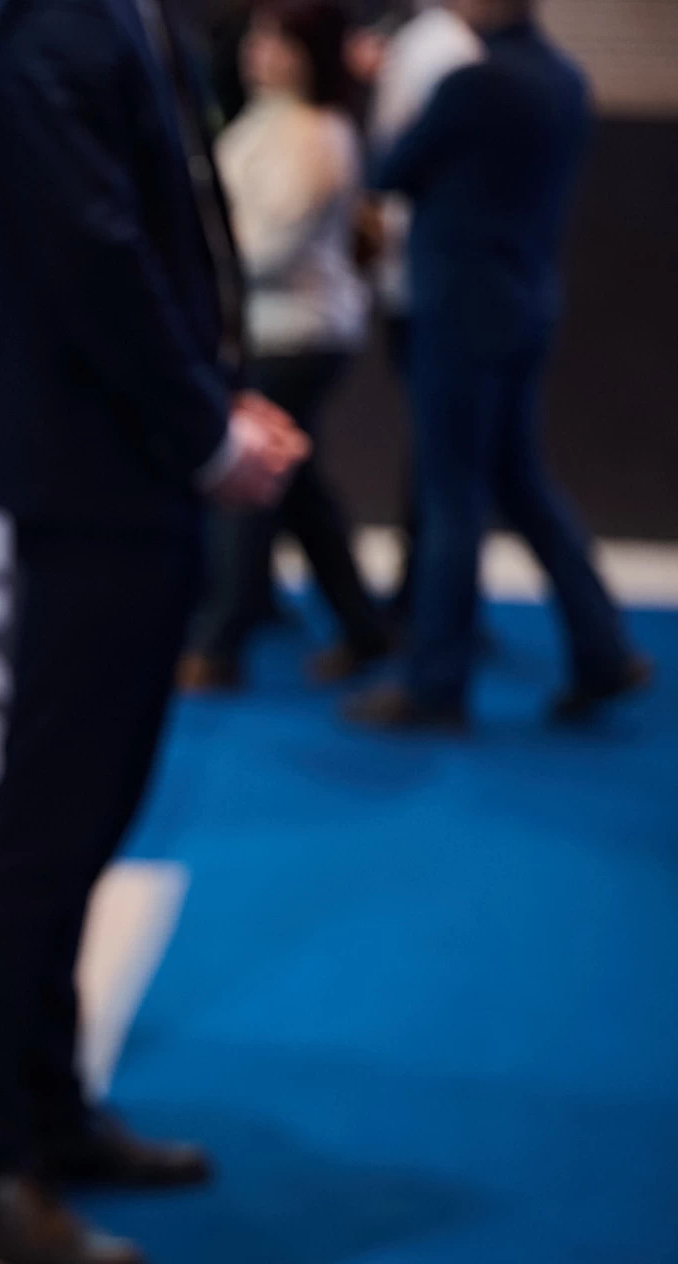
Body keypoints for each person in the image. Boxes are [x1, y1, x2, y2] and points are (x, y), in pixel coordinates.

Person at [0, 0, 307, 1264]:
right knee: (45, 824)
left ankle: (46, 1113)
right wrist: (204, 428)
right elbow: (91, 252)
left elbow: (159, 221)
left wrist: (213, 403)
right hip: (97, 467)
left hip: (128, 462)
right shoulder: (44, 26)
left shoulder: (105, 13)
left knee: (81, 816)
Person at [344, 0, 652, 729]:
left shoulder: (474, 84)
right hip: (527, 300)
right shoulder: (565, 79)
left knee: (453, 493)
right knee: (519, 482)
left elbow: (392, 168)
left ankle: (435, 684)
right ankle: (602, 649)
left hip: (460, 309)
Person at [180, 0, 391, 690]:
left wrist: (197, 254)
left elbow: (263, 248)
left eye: (280, 42)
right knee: (297, 487)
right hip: (269, 329)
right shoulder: (263, 120)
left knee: (250, 480)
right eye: (259, 39)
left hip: (298, 333)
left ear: (311, 53)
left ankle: (217, 644)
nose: (261, 53)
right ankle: (362, 625)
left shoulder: (317, 134)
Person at [365, 0, 483, 623]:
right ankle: (425, 603)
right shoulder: (428, 42)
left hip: (433, 281)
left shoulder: (444, 49)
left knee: (447, 464)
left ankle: (430, 612)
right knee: (447, 459)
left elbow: (397, 164)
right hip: (419, 276)